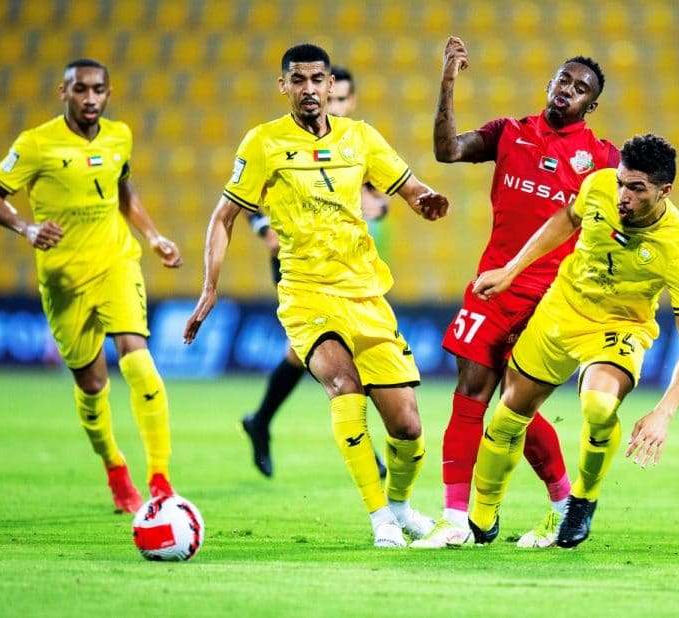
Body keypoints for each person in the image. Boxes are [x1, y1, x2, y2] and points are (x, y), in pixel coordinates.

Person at [184, 43, 449, 547]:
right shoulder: (263, 144)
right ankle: (379, 520)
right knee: (343, 385)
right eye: (298, 80)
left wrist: (425, 199)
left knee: (408, 427)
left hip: (365, 295)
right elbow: (224, 216)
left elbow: (409, 187)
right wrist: (209, 287)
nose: (309, 89)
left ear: (332, 86)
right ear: (283, 86)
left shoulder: (361, 138)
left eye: (318, 80)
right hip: (306, 294)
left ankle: (400, 506)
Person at [412, 37, 621, 549]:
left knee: (516, 405)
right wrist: (447, 81)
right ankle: (456, 520)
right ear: (549, 84)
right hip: (493, 287)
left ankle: (561, 507)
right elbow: (447, 150)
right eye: (562, 80)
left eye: (580, 89)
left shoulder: (602, 159)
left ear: (590, 106)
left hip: (552, 299)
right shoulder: (510, 133)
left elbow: (626, 218)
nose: (567, 90)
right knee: (469, 394)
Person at [467, 133, 679, 548]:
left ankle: (582, 501)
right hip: (561, 310)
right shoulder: (598, 185)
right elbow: (566, 219)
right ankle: (480, 521)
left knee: (598, 406)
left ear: (664, 191)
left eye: (637, 189)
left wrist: (663, 413)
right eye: (621, 182)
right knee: (507, 419)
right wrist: (511, 270)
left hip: (618, 327)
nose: (622, 196)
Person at [0, 59, 182, 514]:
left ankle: (161, 479)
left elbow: (122, 189)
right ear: (63, 92)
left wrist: (152, 237)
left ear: (109, 93)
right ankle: (114, 467)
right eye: (81, 90)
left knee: (140, 364)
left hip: (116, 263)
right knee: (92, 386)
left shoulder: (120, 135)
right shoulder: (35, 144)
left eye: (99, 90)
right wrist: (26, 229)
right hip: (64, 278)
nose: (90, 98)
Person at [240, 65, 388, 480]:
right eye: (330, 97)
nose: (333, 105)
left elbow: (380, 194)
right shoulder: (282, 143)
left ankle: (260, 420)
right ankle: (367, 450)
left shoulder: (355, 143)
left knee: (301, 353)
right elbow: (244, 195)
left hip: (350, 268)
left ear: (351, 102)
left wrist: (379, 205)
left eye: (342, 100)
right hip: (298, 264)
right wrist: (262, 226)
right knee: (341, 358)